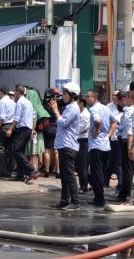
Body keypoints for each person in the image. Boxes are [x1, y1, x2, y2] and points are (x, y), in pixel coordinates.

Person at [49, 82, 81, 210]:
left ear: (72, 95)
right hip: (64, 144)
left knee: (69, 175)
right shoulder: (68, 107)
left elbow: (63, 123)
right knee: (64, 175)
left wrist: (56, 111)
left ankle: (75, 202)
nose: (63, 96)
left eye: (66, 93)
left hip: (68, 145)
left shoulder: (73, 108)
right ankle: (64, 200)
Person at [86, 89, 118, 206]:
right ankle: (98, 196)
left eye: (88, 96)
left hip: (96, 145)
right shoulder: (106, 108)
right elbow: (114, 121)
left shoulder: (94, 109)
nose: (86, 98)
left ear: (95, 98)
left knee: (96, 173)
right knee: (100, 172)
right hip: (105, 145)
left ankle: (99, 198)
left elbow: (97, 121)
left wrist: (98, 130)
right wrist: (108, 135)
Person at [11, 85, 39, 183]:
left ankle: (32, 169)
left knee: (16, 151)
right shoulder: (28, 102)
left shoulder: (20, 102)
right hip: (28, 129)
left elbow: (17, 118)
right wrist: (32, 128)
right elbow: (33, 116)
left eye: (14, 91)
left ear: (18, 92)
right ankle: (20, 174)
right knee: (20, 152)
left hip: (22, 129)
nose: (14, 93)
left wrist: (10, 128)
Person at [115, 91, 134, 202]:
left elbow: (129, 130)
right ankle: (125, 192)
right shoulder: (128, 110)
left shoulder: (129, 111)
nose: (123, 101)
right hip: (126, 140)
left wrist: (129, 147)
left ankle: (124, 193)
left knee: (127, 169)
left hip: (126, 141)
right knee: (128, 169)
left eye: (125, 98)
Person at [0, 86, 15, 179]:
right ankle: (9, 170)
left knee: (0, 147)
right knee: (9, 149)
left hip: (5, 126)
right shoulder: (12, 101)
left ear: (1, 92)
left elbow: (2, 117)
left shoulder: (2, 101)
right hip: (12, 125)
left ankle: (3, 170)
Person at [76, 95, 90, 194]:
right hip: (79, 139)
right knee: (79, 165)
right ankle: (85, 184)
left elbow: (82, 128)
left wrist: (74, 128)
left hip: (84, 140)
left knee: (83, 165)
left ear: (81, 103)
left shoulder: (85, 114)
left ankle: (84, 186)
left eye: (77, 102)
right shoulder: (79, 113)